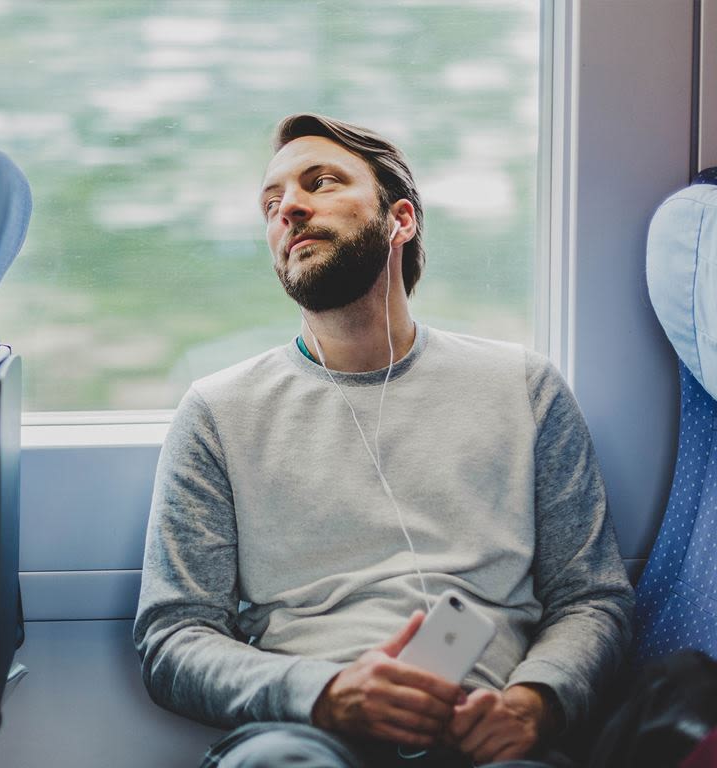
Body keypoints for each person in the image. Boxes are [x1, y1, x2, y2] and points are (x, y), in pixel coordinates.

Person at [133, 113, 634, 767]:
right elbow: (174, 636)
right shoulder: (218, 412)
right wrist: (326, 692)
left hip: (488, 727)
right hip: (301, 732)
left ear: (399, 220)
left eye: (321, 182)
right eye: (271, 202)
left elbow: (592, 597)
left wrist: (535, 701)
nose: (290, 209)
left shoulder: (523, 387)